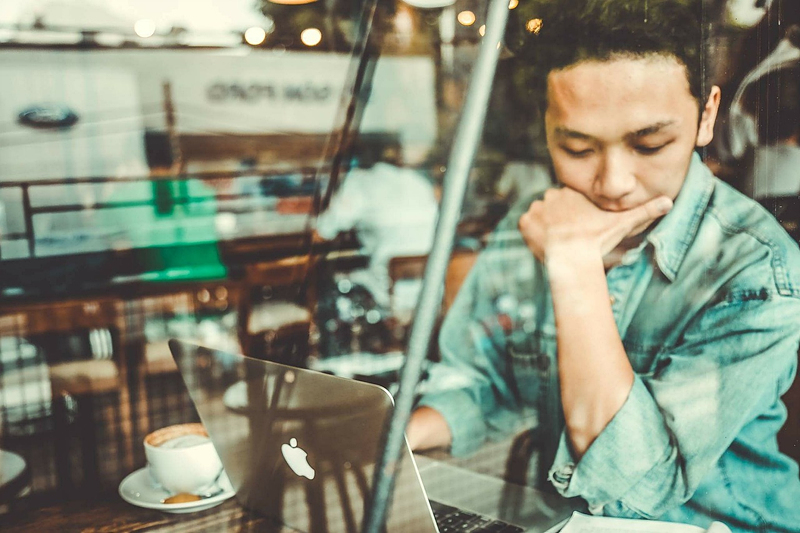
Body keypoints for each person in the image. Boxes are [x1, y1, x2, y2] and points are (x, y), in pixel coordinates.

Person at [406, 0, 800, 531]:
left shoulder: (756, 269)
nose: (613, 182)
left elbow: (640, 485)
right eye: (576, 147)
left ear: (707, 115)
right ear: (547, 127)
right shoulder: (535, 224)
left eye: (650, 143)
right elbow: (481, 380)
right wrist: (396, 437)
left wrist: (574, 270)